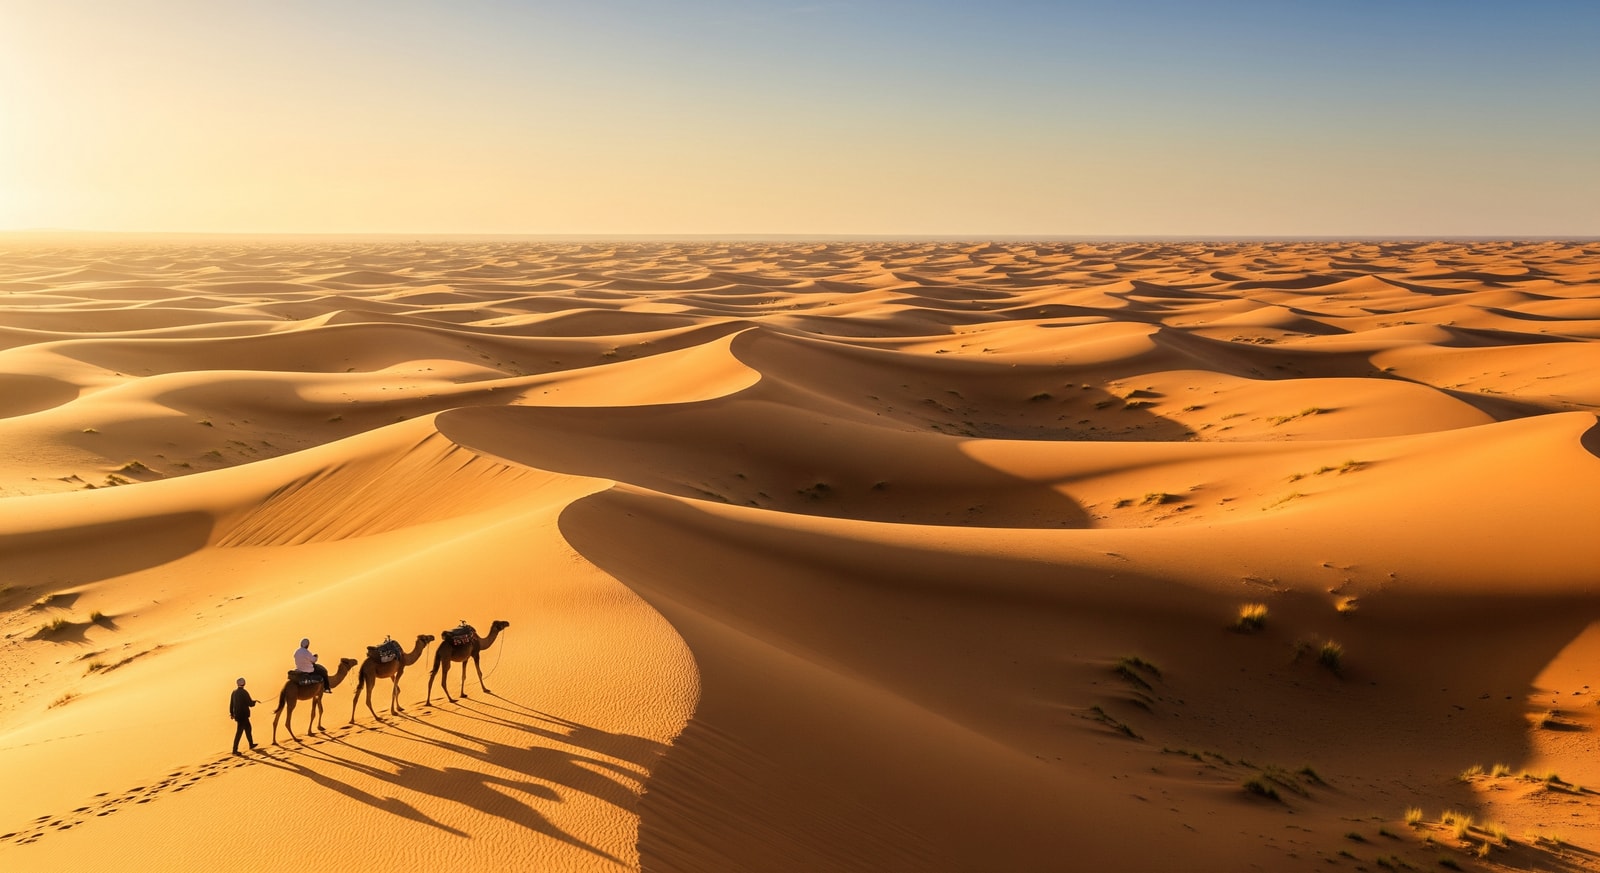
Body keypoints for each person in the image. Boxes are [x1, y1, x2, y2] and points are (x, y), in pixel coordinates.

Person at [229, 677, 258, 754]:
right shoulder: (244, 692)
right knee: (239, 732)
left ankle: (251, 744)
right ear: (244, 683)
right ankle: (234, 750)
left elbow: (231, 704)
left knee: (248, 729)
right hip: (243, 715)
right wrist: (254, 702)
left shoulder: (234, 692)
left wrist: (232, 713)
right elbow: (250, 703)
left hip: (238, 715)